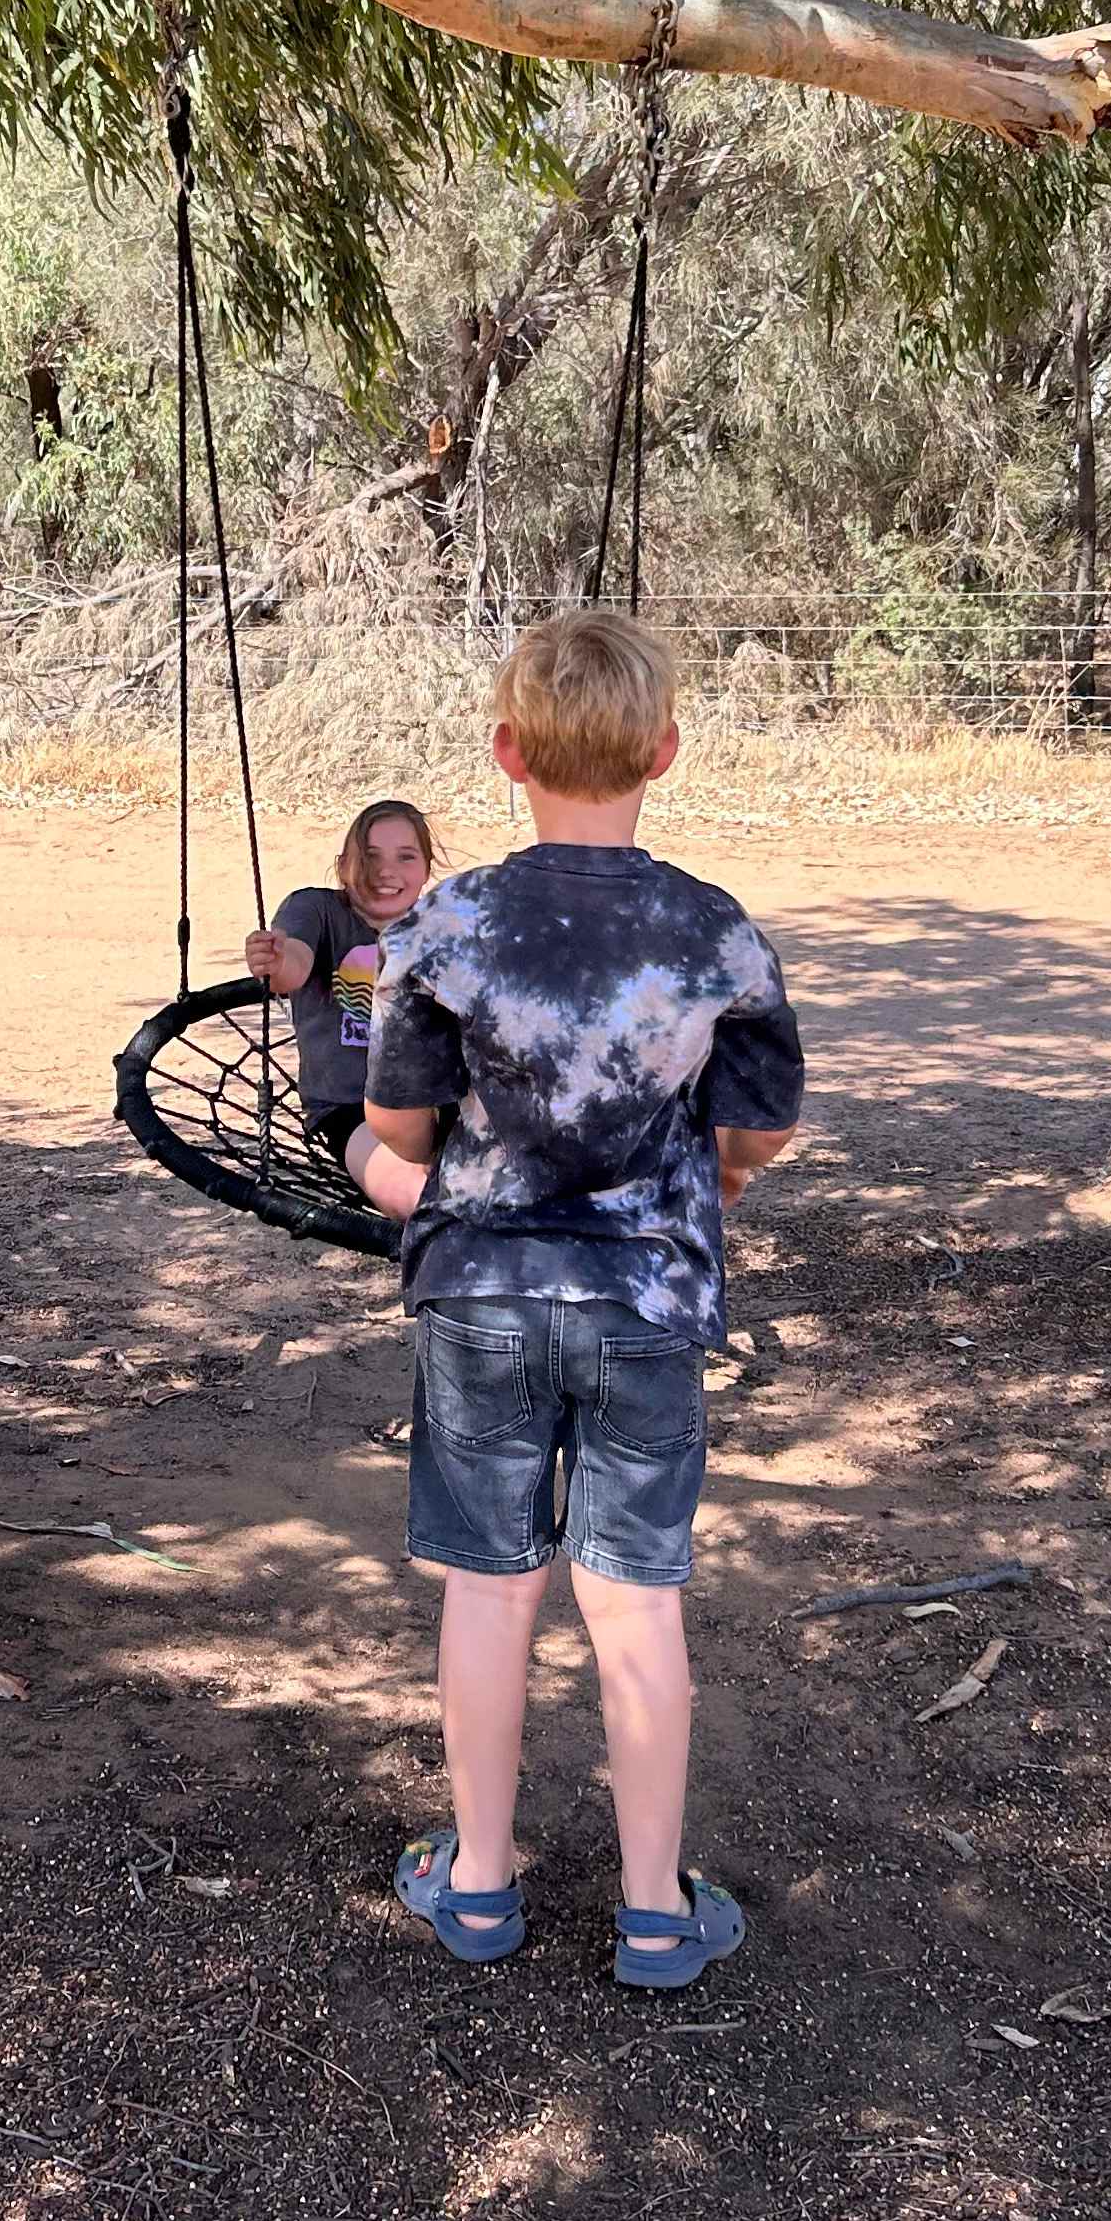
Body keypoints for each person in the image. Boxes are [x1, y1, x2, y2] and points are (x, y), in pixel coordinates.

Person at [361, 611, 803, 1991]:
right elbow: (760, 1130)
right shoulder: (713, 934)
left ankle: (480, 1884)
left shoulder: (450, 922)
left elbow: (404, 1134)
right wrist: (698, 1190)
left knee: (490, 1594)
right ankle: (653, 1909)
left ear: (505, 752)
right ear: (664, 752)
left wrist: (383, 1173)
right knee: (637, 1604)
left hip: (483, 1298)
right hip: (646, 1301)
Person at [243, 798, 440, 1222]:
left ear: (426, 868)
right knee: (419, 1198)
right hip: (350, 1109)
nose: (386, 872)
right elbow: (292, 967)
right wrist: (275, 962)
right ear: (342, 865)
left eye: (406, 857)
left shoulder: (439, 923)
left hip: (441, 1099)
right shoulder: (317, 910)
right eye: (369, 857)